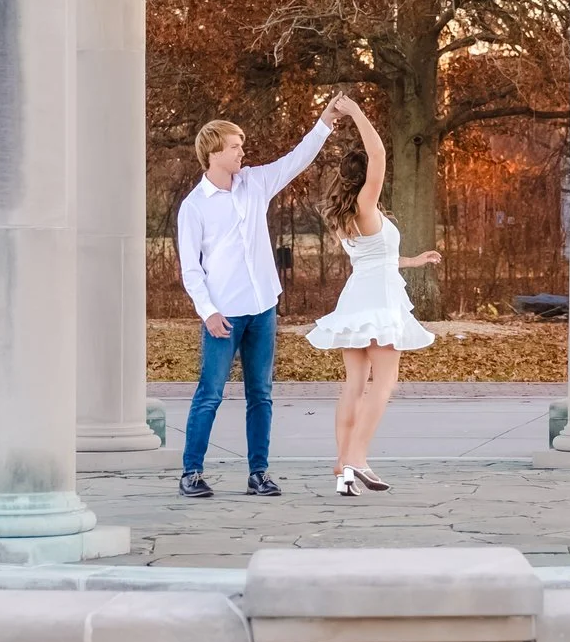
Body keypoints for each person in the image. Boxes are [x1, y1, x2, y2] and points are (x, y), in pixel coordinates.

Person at [175, 97, 347, 497]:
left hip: (263, 308)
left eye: (241, 145)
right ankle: (190, 473)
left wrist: (324, 121)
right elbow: (190, 269)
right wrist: (208, 312)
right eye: (235, 146)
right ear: (214, 152)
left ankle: (259, 473)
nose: (242, 151)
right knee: (210, 395)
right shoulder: (194, 207)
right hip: (223, 317)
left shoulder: (255, 183)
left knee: (262, 395)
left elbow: (296, 159)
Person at [304, 95, 437, 496]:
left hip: (358, 298)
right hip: (378, 302)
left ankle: (343, 467)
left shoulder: (345, 215)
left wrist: (413, 261)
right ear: (366, 179)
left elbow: (377, 259)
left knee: (354, 384)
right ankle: (356, 458)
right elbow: (378, 151)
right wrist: (357, 112)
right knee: (384, 383)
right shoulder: (365, 204)